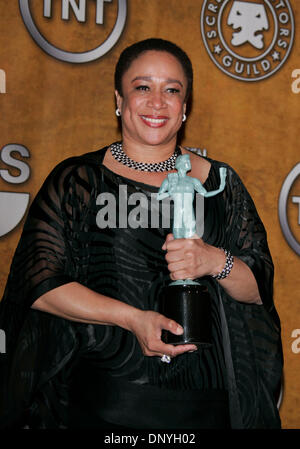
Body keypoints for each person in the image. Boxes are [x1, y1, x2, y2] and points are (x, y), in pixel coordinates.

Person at [0, 38, 282, 429]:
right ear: (119, 99)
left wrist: (214, 260)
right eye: (142, 87)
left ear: (185, 107)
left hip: (207, 403)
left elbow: (257, 289)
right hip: (107, 402)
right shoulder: (80, 180)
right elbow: (39, 284)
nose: (157, 101)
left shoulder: (220, 184)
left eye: (172, 90)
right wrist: (132, 318)